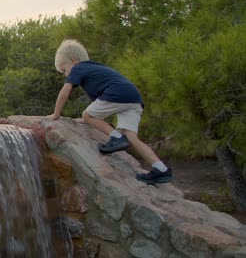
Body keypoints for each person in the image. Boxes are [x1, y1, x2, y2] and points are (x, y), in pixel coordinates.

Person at [47, 39, 173, 184]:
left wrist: (56, 114)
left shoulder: (79, 68)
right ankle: (161, 169)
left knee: (88, 114)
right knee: (131, 136)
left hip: (119, 93)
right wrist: (85, 120)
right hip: (133, 98)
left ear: (74, 61)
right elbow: (99, 109)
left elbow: (65, 92)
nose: (65, 75)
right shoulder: (94, 70)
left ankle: (116, 137)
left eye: (64, 70)